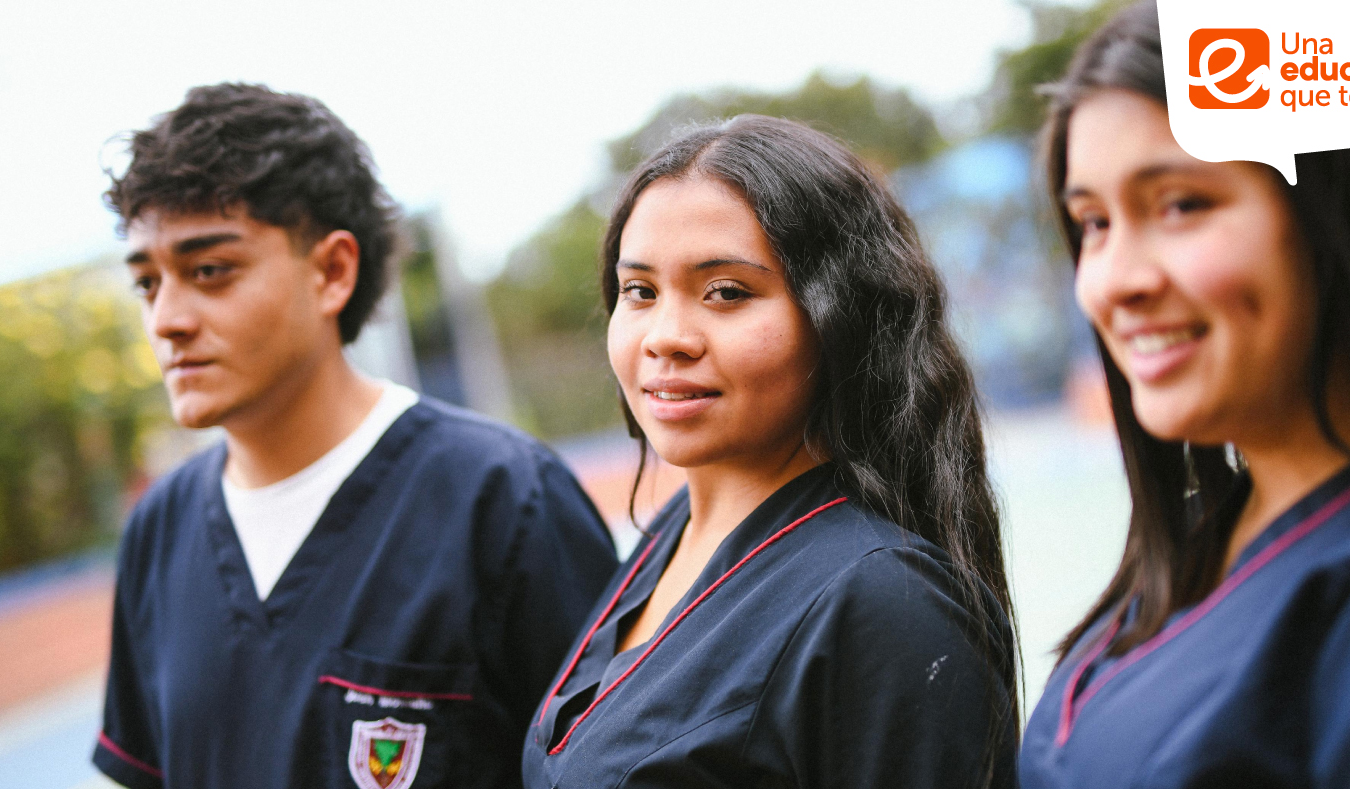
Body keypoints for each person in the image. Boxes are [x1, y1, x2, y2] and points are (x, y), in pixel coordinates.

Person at [1016, 3, 1350, 787]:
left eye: (1182, 203)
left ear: (1347, 215)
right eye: (1092, 221)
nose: (1118, 281)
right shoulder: (1199, 547)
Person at [93, 83, 618, 789]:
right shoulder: (157, 528)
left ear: (333, 270)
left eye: (209, 270)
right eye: (148, 283)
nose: (166, 320)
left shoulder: (504, 499)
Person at [520, 115, 1018, 789]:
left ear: (838, 315)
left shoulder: (883, 603)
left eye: (726, 292)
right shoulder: (674, 535)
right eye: (640, 291)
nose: (666, 336)